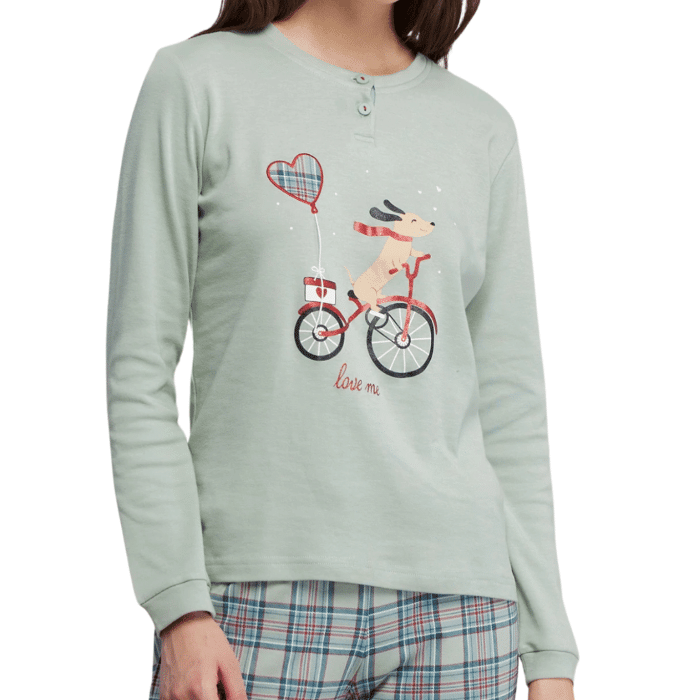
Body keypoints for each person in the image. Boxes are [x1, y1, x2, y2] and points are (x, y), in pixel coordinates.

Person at [105, 0, 580, 698]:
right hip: (256, 599)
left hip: (461, 613)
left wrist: (549, 652)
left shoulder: (481, 128)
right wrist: (179, 605)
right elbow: (138, 369)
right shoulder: (196, 82)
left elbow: (511, 403)